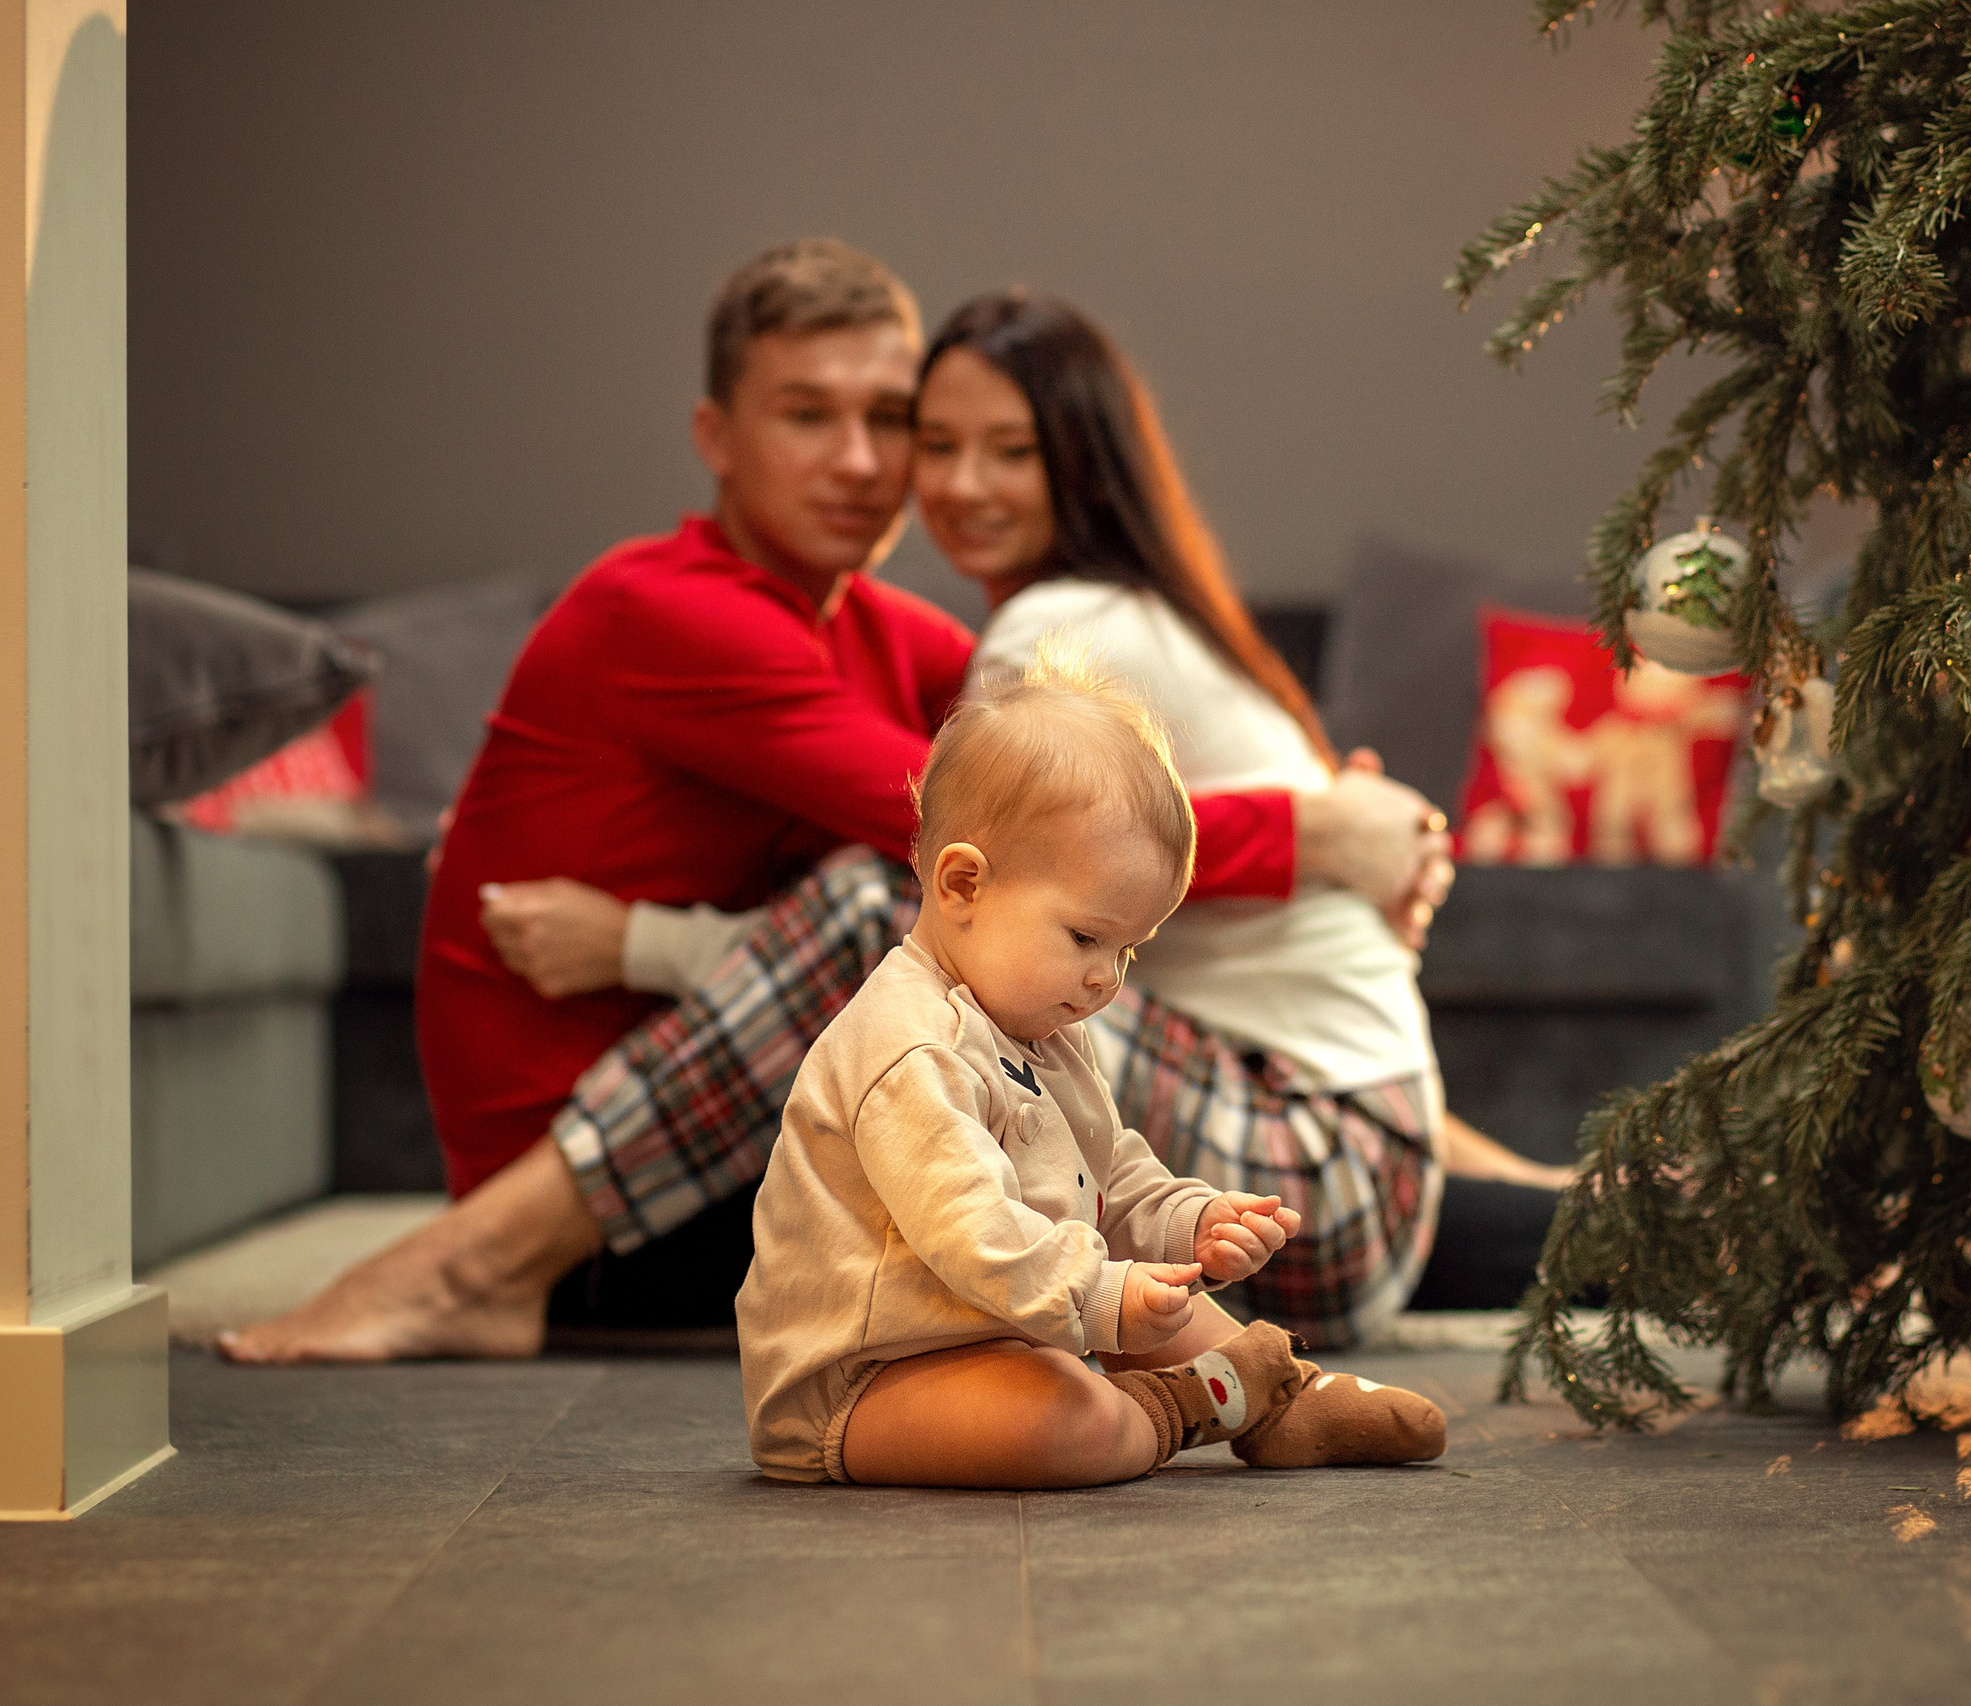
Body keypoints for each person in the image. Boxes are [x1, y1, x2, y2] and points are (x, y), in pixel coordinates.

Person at [219, 238, 1453, 1364]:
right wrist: (1321, 836)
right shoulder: (664, 609)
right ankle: (469, 1267)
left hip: (759, 1154)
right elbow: (961, 836)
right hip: (601, 1211)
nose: (864, 463)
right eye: (808, 416)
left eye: (887, 419)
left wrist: (1340, 839)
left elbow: (1050, 827)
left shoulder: (888, 632)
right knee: (909, 916)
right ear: (715, 432)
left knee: (947, 930)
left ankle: (1525, 1202)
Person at [468, 288, 1576, 1352]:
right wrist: (1325, 829)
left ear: (1082, 459)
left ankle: (480, 1264)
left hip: (1307, 1175)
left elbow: (889, 925)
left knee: (900, 936)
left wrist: (634, 943)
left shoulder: (1058, 632)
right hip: (1329, 1163)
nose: (957, 484)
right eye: (935, 442)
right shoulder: (1114, 611)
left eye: (1010, 449)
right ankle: (1614, 1213)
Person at [743, 647, 1444, 1486]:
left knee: (1166, 1303)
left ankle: (1282, 1396)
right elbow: (979, 1238)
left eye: (1129, 950)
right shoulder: (911, 1050)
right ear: (962, 884)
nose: (1106, 977)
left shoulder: (1039, 1025)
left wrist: (1193, 1223)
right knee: (1065, 1419)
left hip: (1007, 1328)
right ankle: (1178, 1408)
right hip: (865, 1384)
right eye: (1085, 938)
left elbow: (1108, 1174)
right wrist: (1108, 1298)